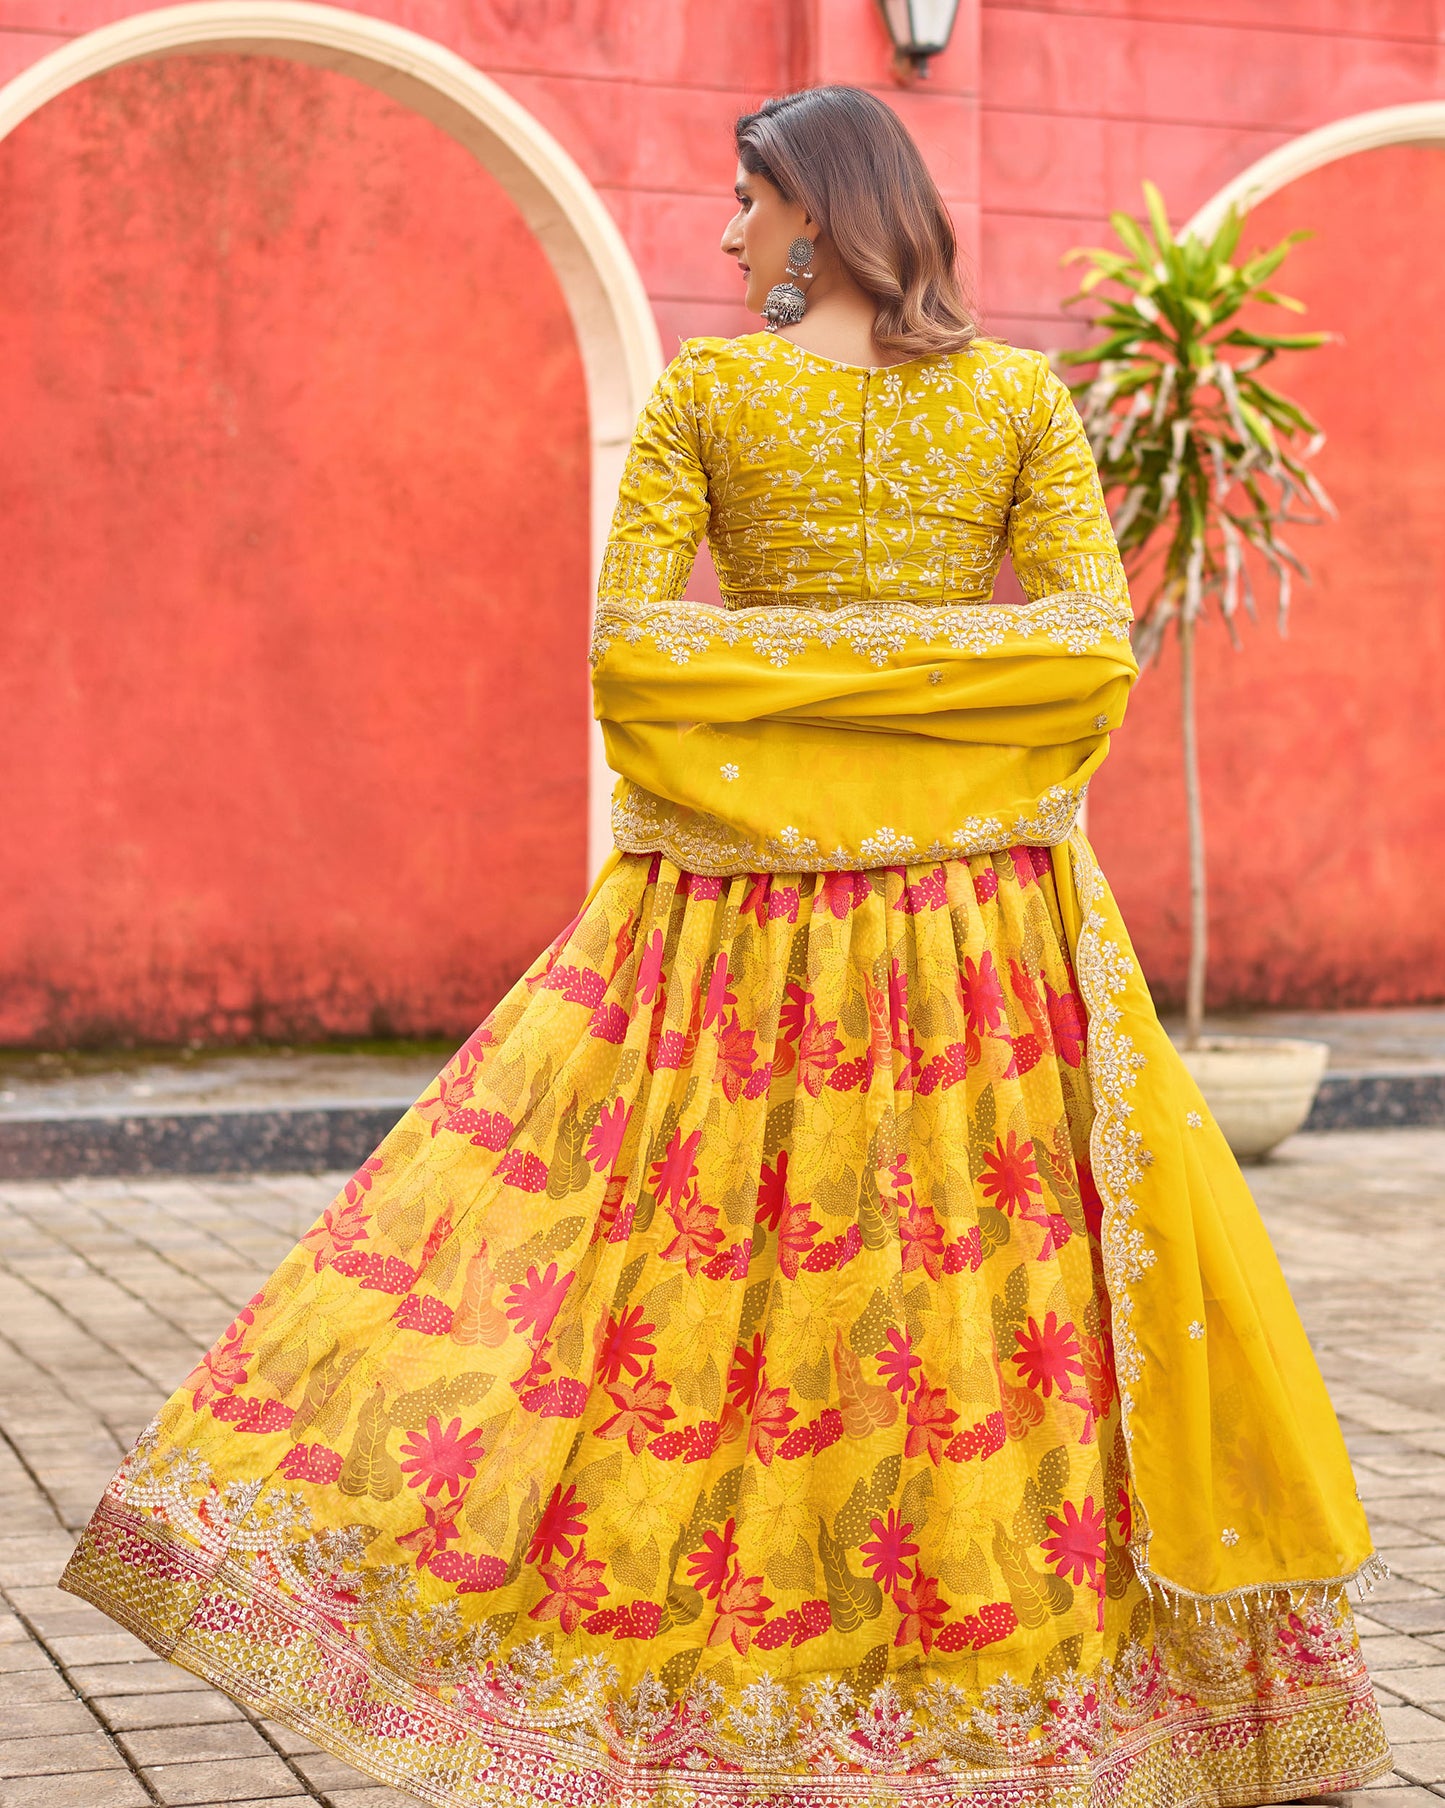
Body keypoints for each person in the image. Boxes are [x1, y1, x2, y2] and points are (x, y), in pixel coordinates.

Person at [63, 84, 1389, 1808]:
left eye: (744, 199)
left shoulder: (902, 398)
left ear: (819, 214)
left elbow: (1082, 656)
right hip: (973, 906)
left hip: (760, 908)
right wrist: (928, 709)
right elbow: (642, 670)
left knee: (754, 1282)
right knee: (933, 1291)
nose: (721, 232)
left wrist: (785, 693)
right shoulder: (933, 400)